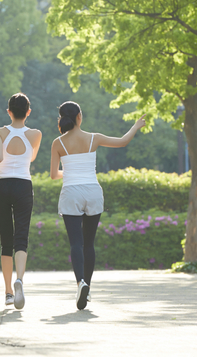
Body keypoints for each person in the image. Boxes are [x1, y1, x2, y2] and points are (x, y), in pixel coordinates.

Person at [50, 101, 146, 310]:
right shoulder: (94, 138)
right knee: (89, 244)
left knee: (76, 243)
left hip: (71, 193)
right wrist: (135, 126)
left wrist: (72, 171)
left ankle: (80, 283)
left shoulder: (58, 143)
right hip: (93, 192)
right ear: (79, 117)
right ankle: (88, 287)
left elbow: (53, 175)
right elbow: (122, 142)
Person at [0, 93, 42, 309]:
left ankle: (8, 293)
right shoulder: (35, 134)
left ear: (9, 111)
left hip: (2, 185)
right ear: (28, 112)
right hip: (23, 185)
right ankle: (19, 279)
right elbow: (31, 158)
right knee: (22, 237)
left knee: (6, 240)